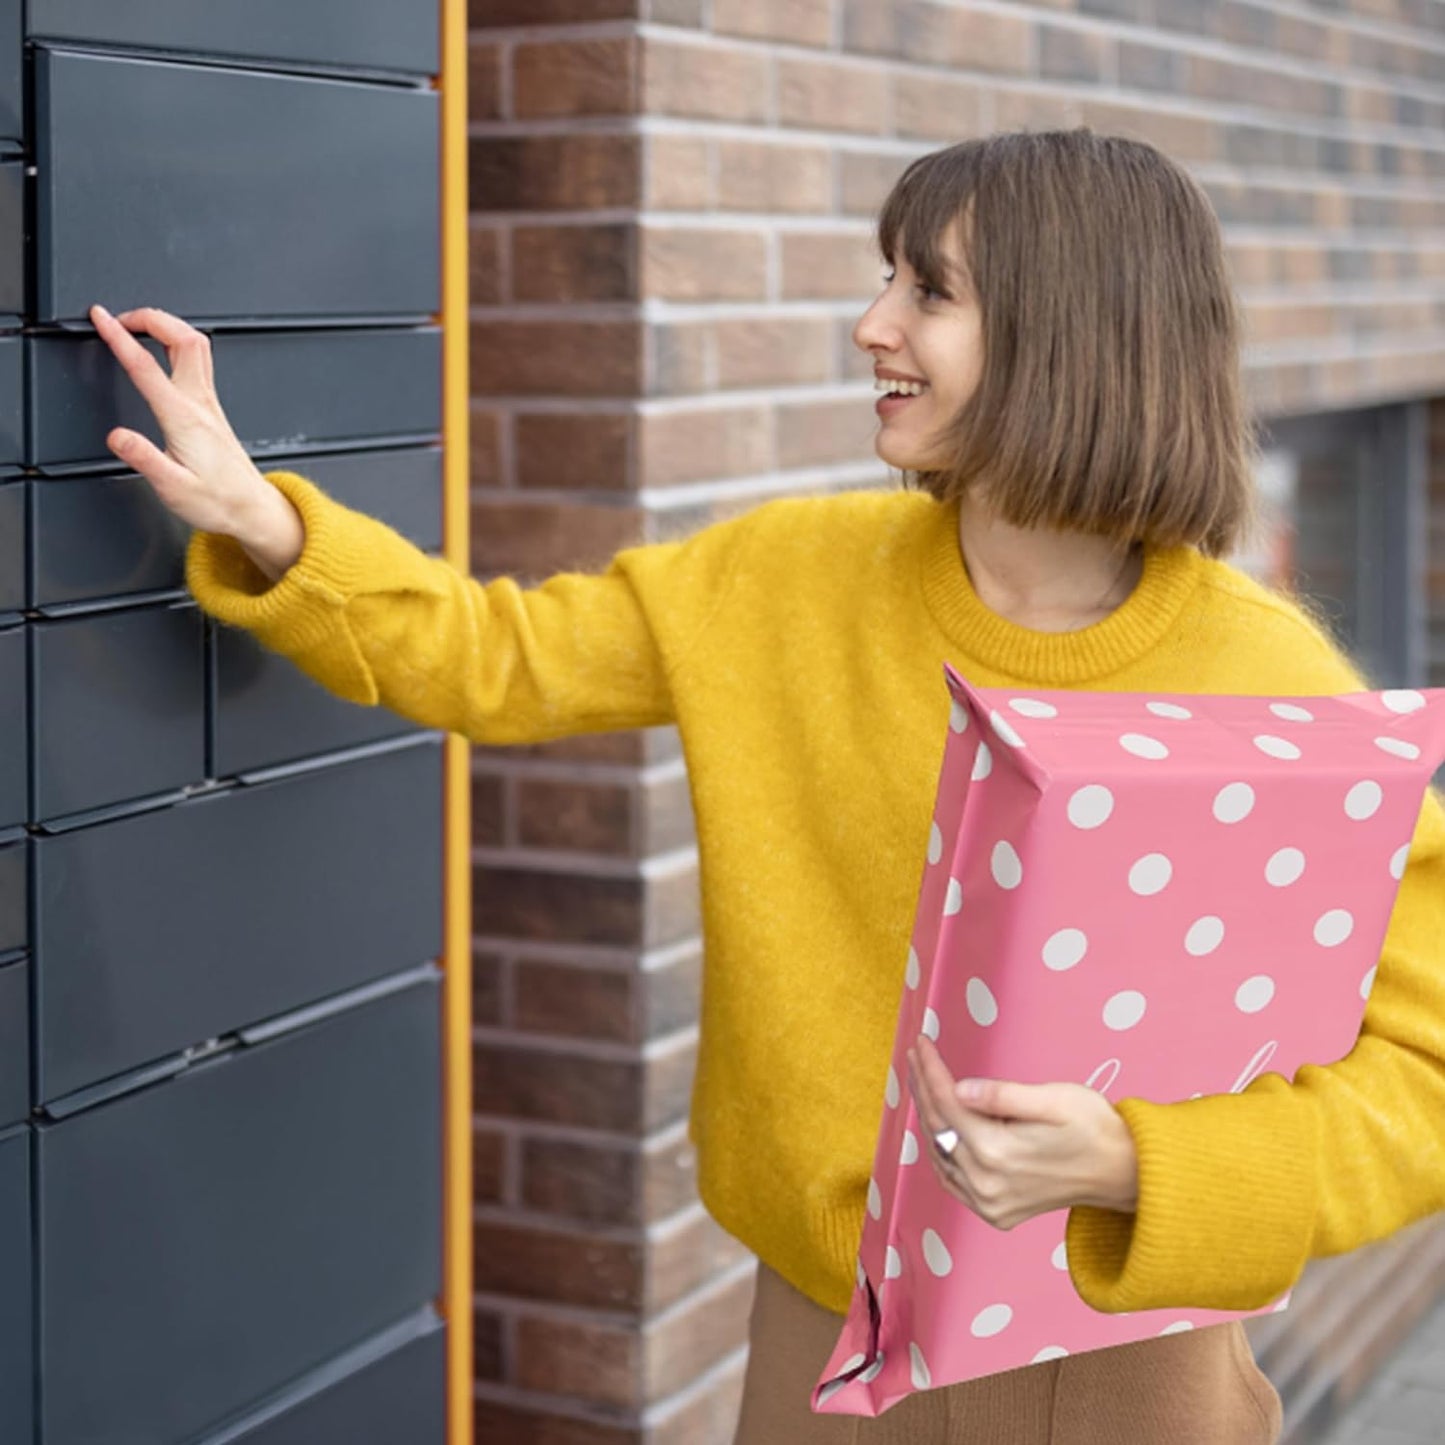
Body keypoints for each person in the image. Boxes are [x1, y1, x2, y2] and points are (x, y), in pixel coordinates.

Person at [88, 128, 1445, 1444]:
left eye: (928, 289)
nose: (871, 323)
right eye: (883, 277)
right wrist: (267, 518)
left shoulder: (1267, 687)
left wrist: (1136, 1163)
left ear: (1073, 332)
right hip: (821, 1341)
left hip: (1125, 1369)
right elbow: (493, 656)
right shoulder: (783, 578)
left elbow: (1423, 1076)